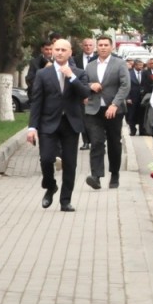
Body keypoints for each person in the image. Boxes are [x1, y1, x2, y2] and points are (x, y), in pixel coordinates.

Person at [26, 38, 90, 212]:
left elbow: (85, 93)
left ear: (70, 53)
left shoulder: (79, 73)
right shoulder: (42, 74)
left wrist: (71, 76)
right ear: (52, 52)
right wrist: (32, 127)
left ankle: (65, 201)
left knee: (70, 164)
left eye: (64, 50)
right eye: (57, 49)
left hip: (71, 124)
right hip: (48, 123)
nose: (60, 52)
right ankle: (50, 185)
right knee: (46, 159)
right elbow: (36, 101)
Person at [82, 35, 130, 190]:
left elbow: (125, 86)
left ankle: (114, 174)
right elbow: (83, 83)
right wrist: (90, 86)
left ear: (112, 47)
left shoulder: (119, 63)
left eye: (105, 45)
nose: (102, 47)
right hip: (94, 109)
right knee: (96, 142)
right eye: (100, 45)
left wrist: (115, 104)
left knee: (114, 143)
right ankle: (96, 176)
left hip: (113, 110)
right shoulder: (90, 65)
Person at [75, 36, 97, 151]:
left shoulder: (99, 58)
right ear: (82, 46)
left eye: (90, 45)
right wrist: (83, 93)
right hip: (80, 94)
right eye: (86, 45)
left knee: (94, 119)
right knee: (83, 119)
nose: (88, 47)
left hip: (96, 93)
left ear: (94, 46)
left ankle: (95, 141)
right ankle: (85, 141)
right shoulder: (76, 59)